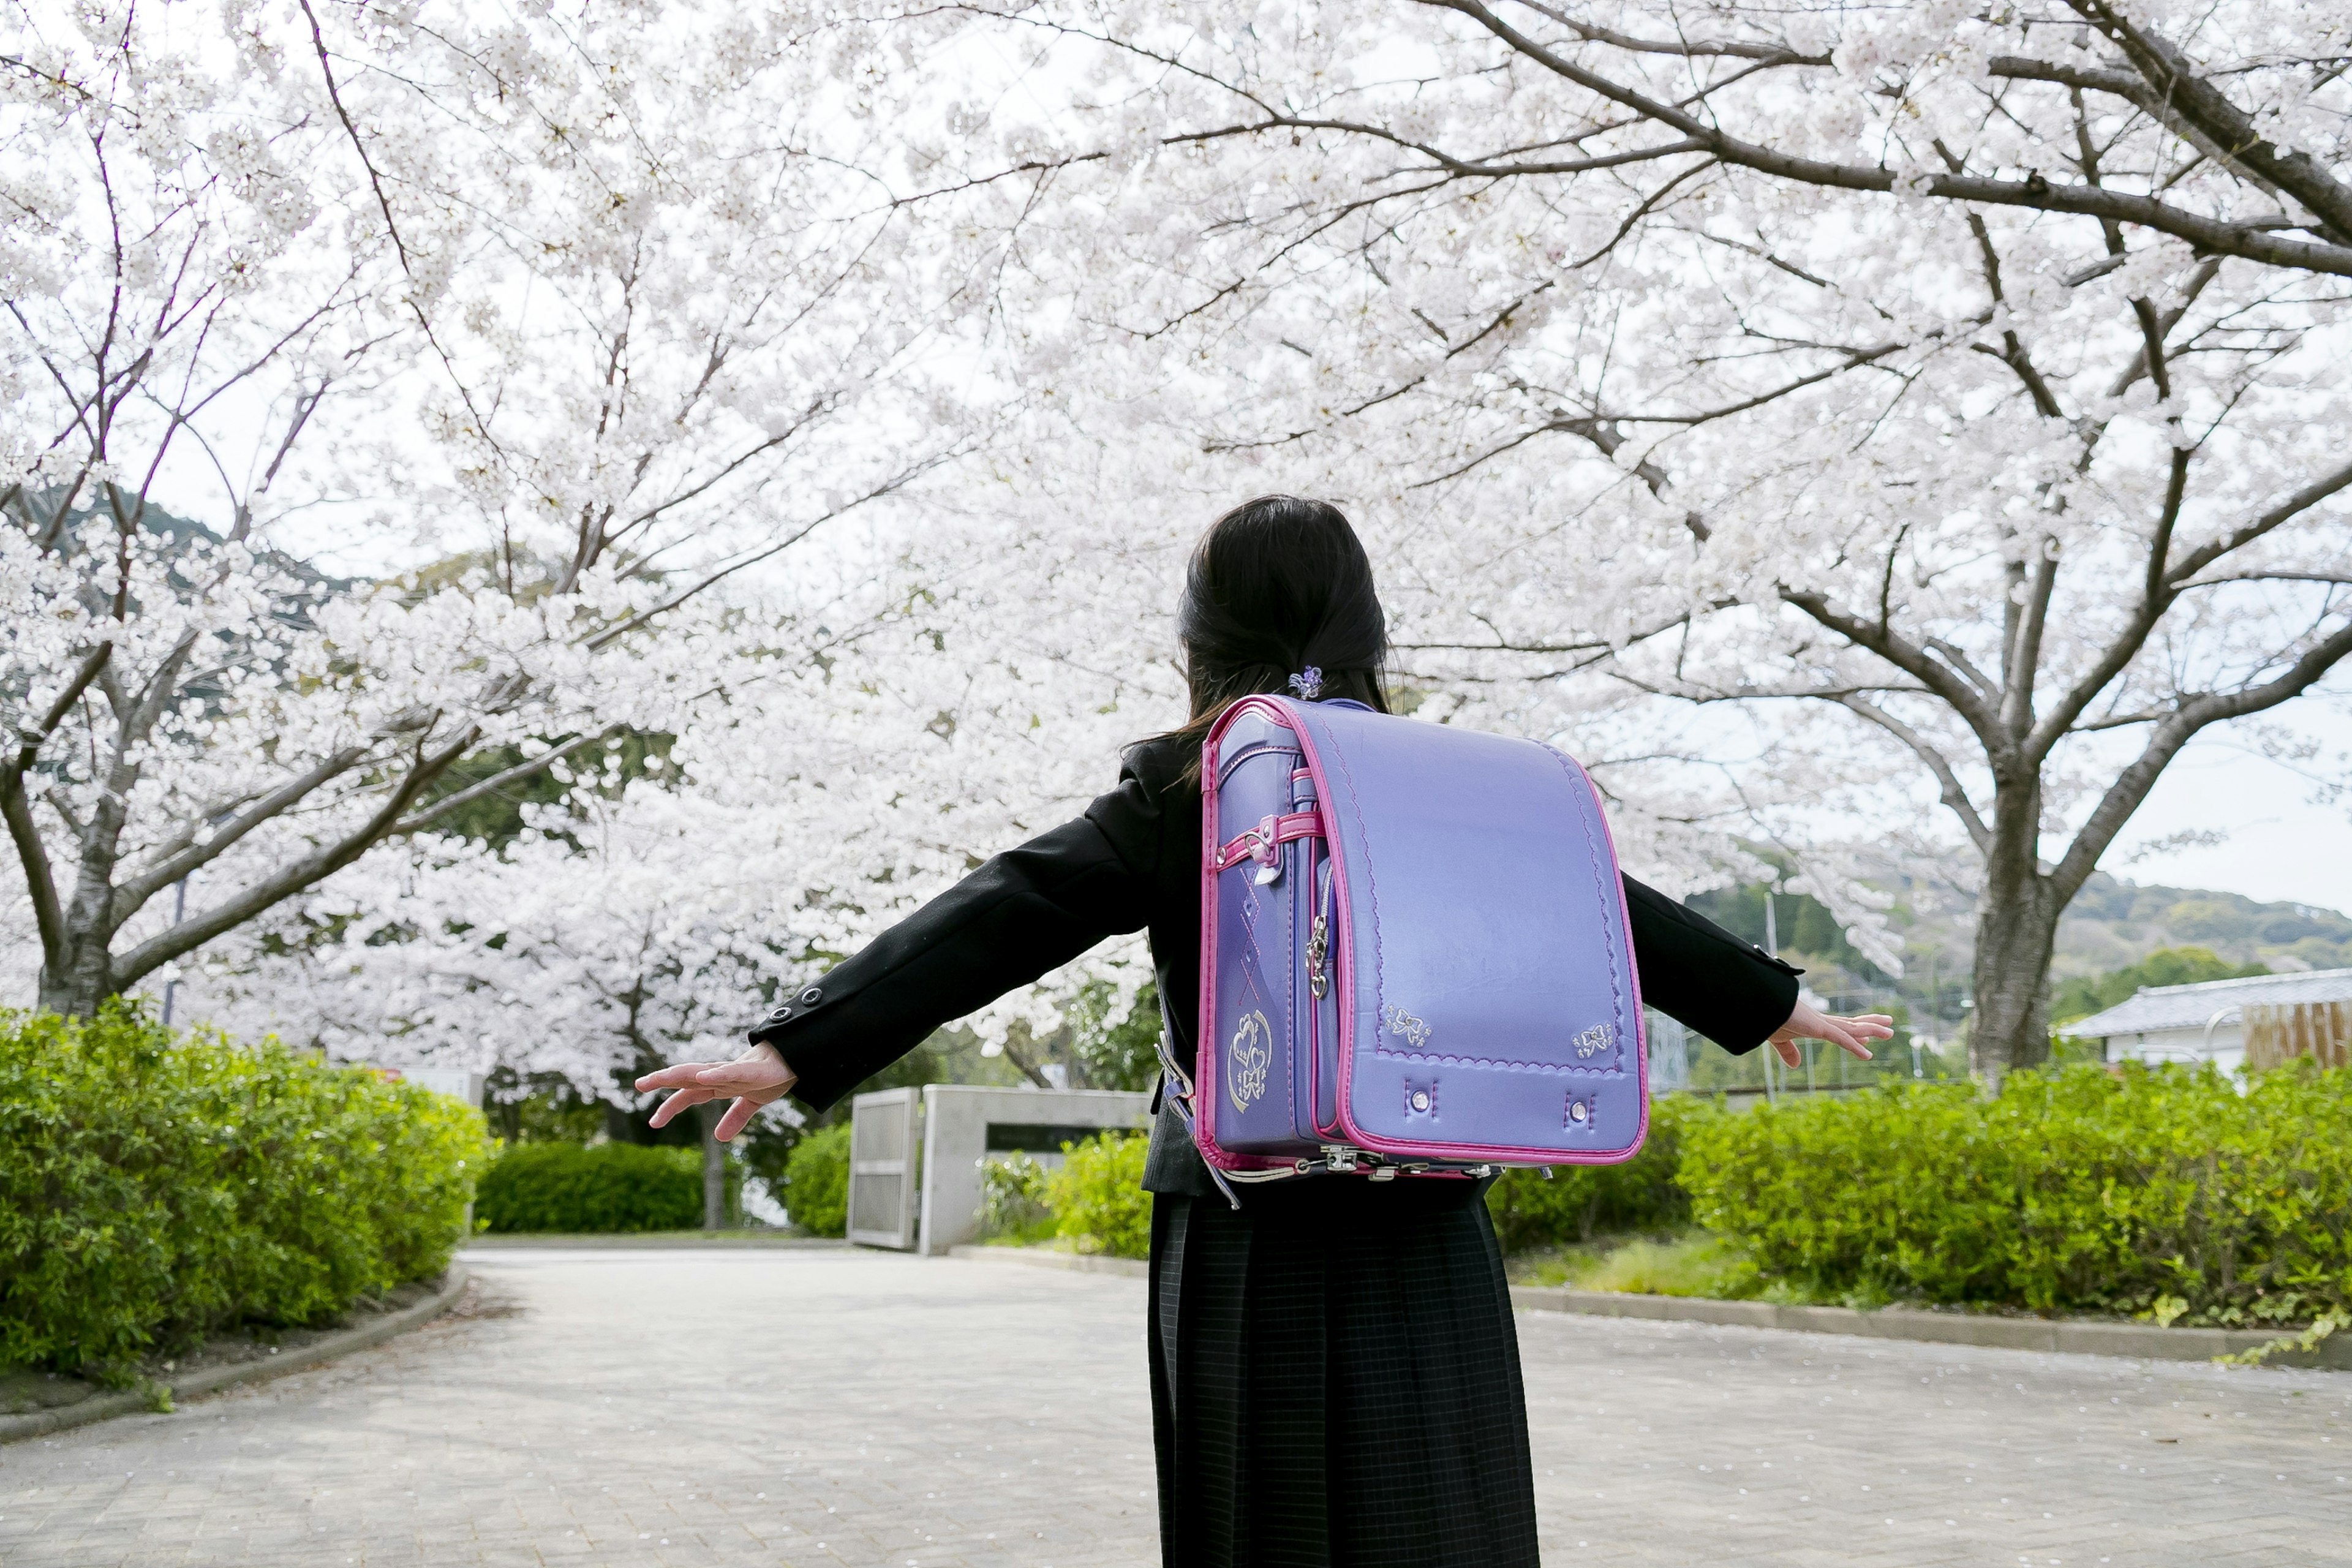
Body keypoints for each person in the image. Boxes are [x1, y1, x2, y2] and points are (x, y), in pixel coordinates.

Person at [638, 496, 1893, 1568]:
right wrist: (1772, 1002)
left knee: (1262, 1515)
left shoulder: (1183, 784)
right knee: (1442, 1511)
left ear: (1201, 637)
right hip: (1426, 1203)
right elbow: (1598, 902)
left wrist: (795, 1047)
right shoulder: (1448, 779)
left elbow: (1006, 908)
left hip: (1244, 1221)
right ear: (1370, 628)